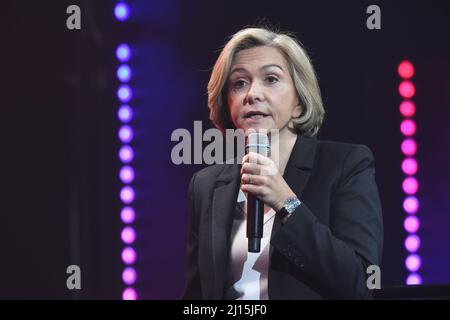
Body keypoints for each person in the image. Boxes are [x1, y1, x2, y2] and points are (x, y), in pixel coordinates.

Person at [183, 26, 383, 299]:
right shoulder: (206, 185)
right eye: (239, 83)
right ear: (227, 103)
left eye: (271, 79)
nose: (252, 94)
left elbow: (360, 283)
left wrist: (287, 203)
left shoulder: (345, 165)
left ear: (299, 101)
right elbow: (196, 296)